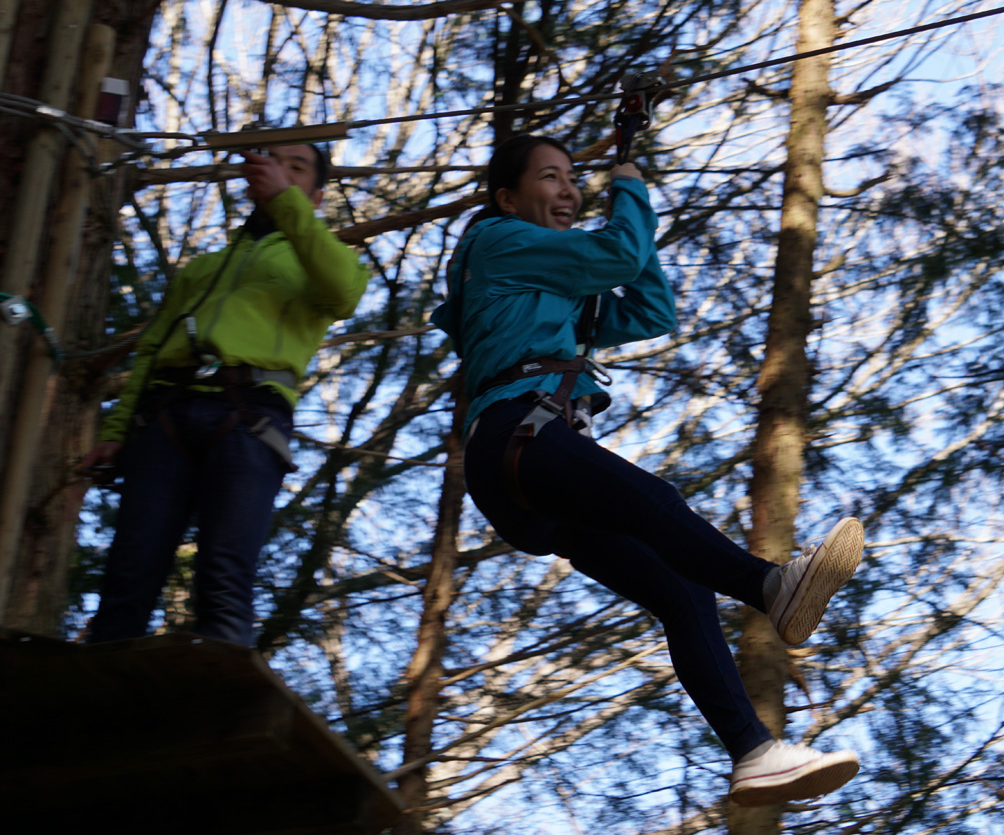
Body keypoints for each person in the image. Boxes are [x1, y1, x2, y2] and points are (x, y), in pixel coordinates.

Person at [432, 133, 864, 806]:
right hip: (518, 436)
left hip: (526, 468)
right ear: (507, 199)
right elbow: (620, 255)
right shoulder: (498, 241)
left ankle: (754, 753)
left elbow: (651, 307)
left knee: (683, 592)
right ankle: (770, 586)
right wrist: (629, 190)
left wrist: (627, 219)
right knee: (650, 500)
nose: (569, 190)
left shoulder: (553, 286)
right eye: (550, 177)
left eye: (573, 177)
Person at [82, 142, 369, 647]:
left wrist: (286, 203)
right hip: (165, 413)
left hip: (250, 417)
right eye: (276, 162)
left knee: (225, 577)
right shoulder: (205, 267)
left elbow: (344, 294)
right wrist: (117, 429)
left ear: (316, 197)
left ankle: (219, 687)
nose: (282, 171)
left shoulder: (325, 260)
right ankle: (93, 689)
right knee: (129, 572)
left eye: (297, 168)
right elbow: (151, 350)